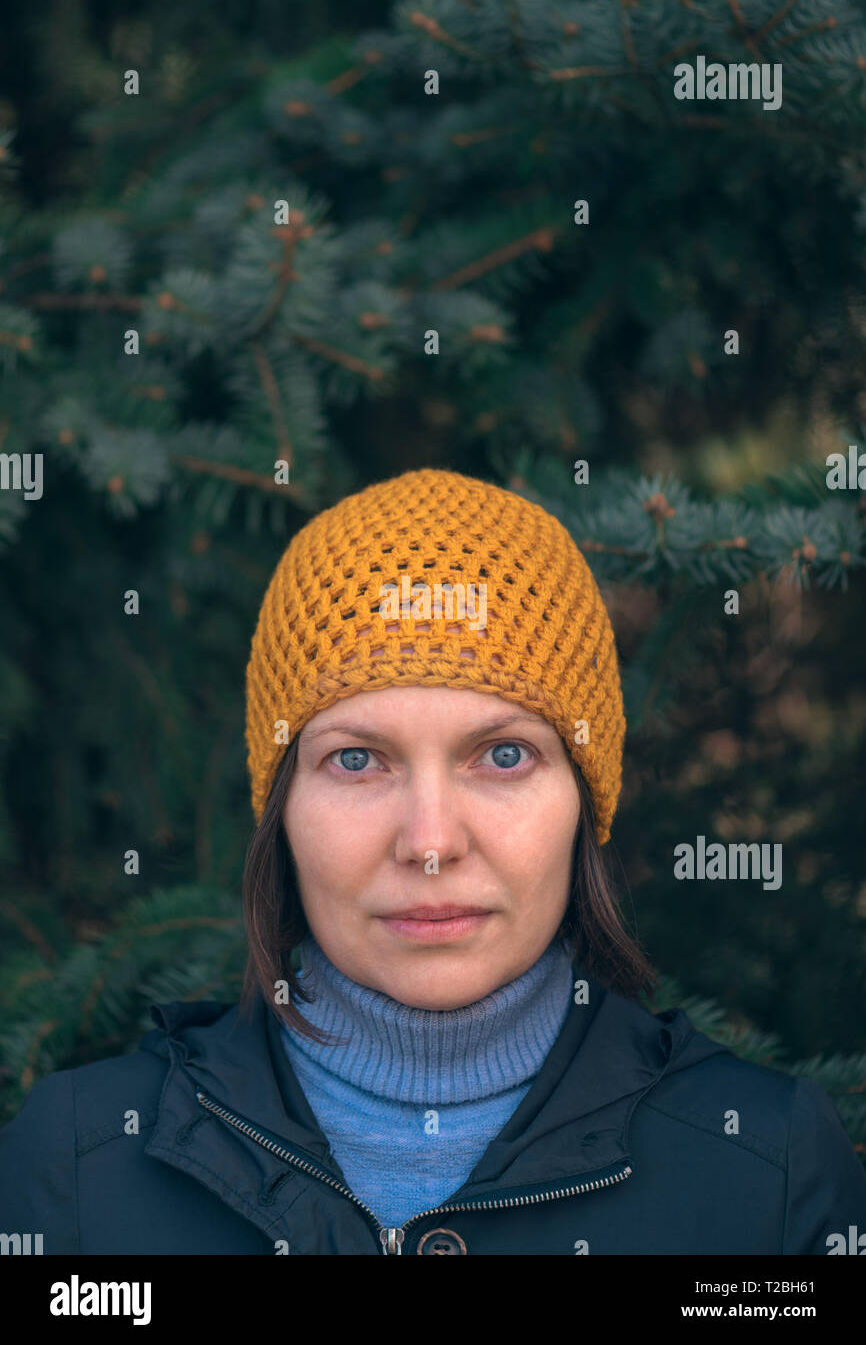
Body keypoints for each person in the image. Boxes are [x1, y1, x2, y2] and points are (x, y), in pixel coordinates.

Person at [1, 466, 864, 1255]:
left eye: (503, 756)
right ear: (282, 807)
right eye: (355, 759)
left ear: (587, 797)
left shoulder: (767, 1176)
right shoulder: (78, 1172)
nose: (430, 842)